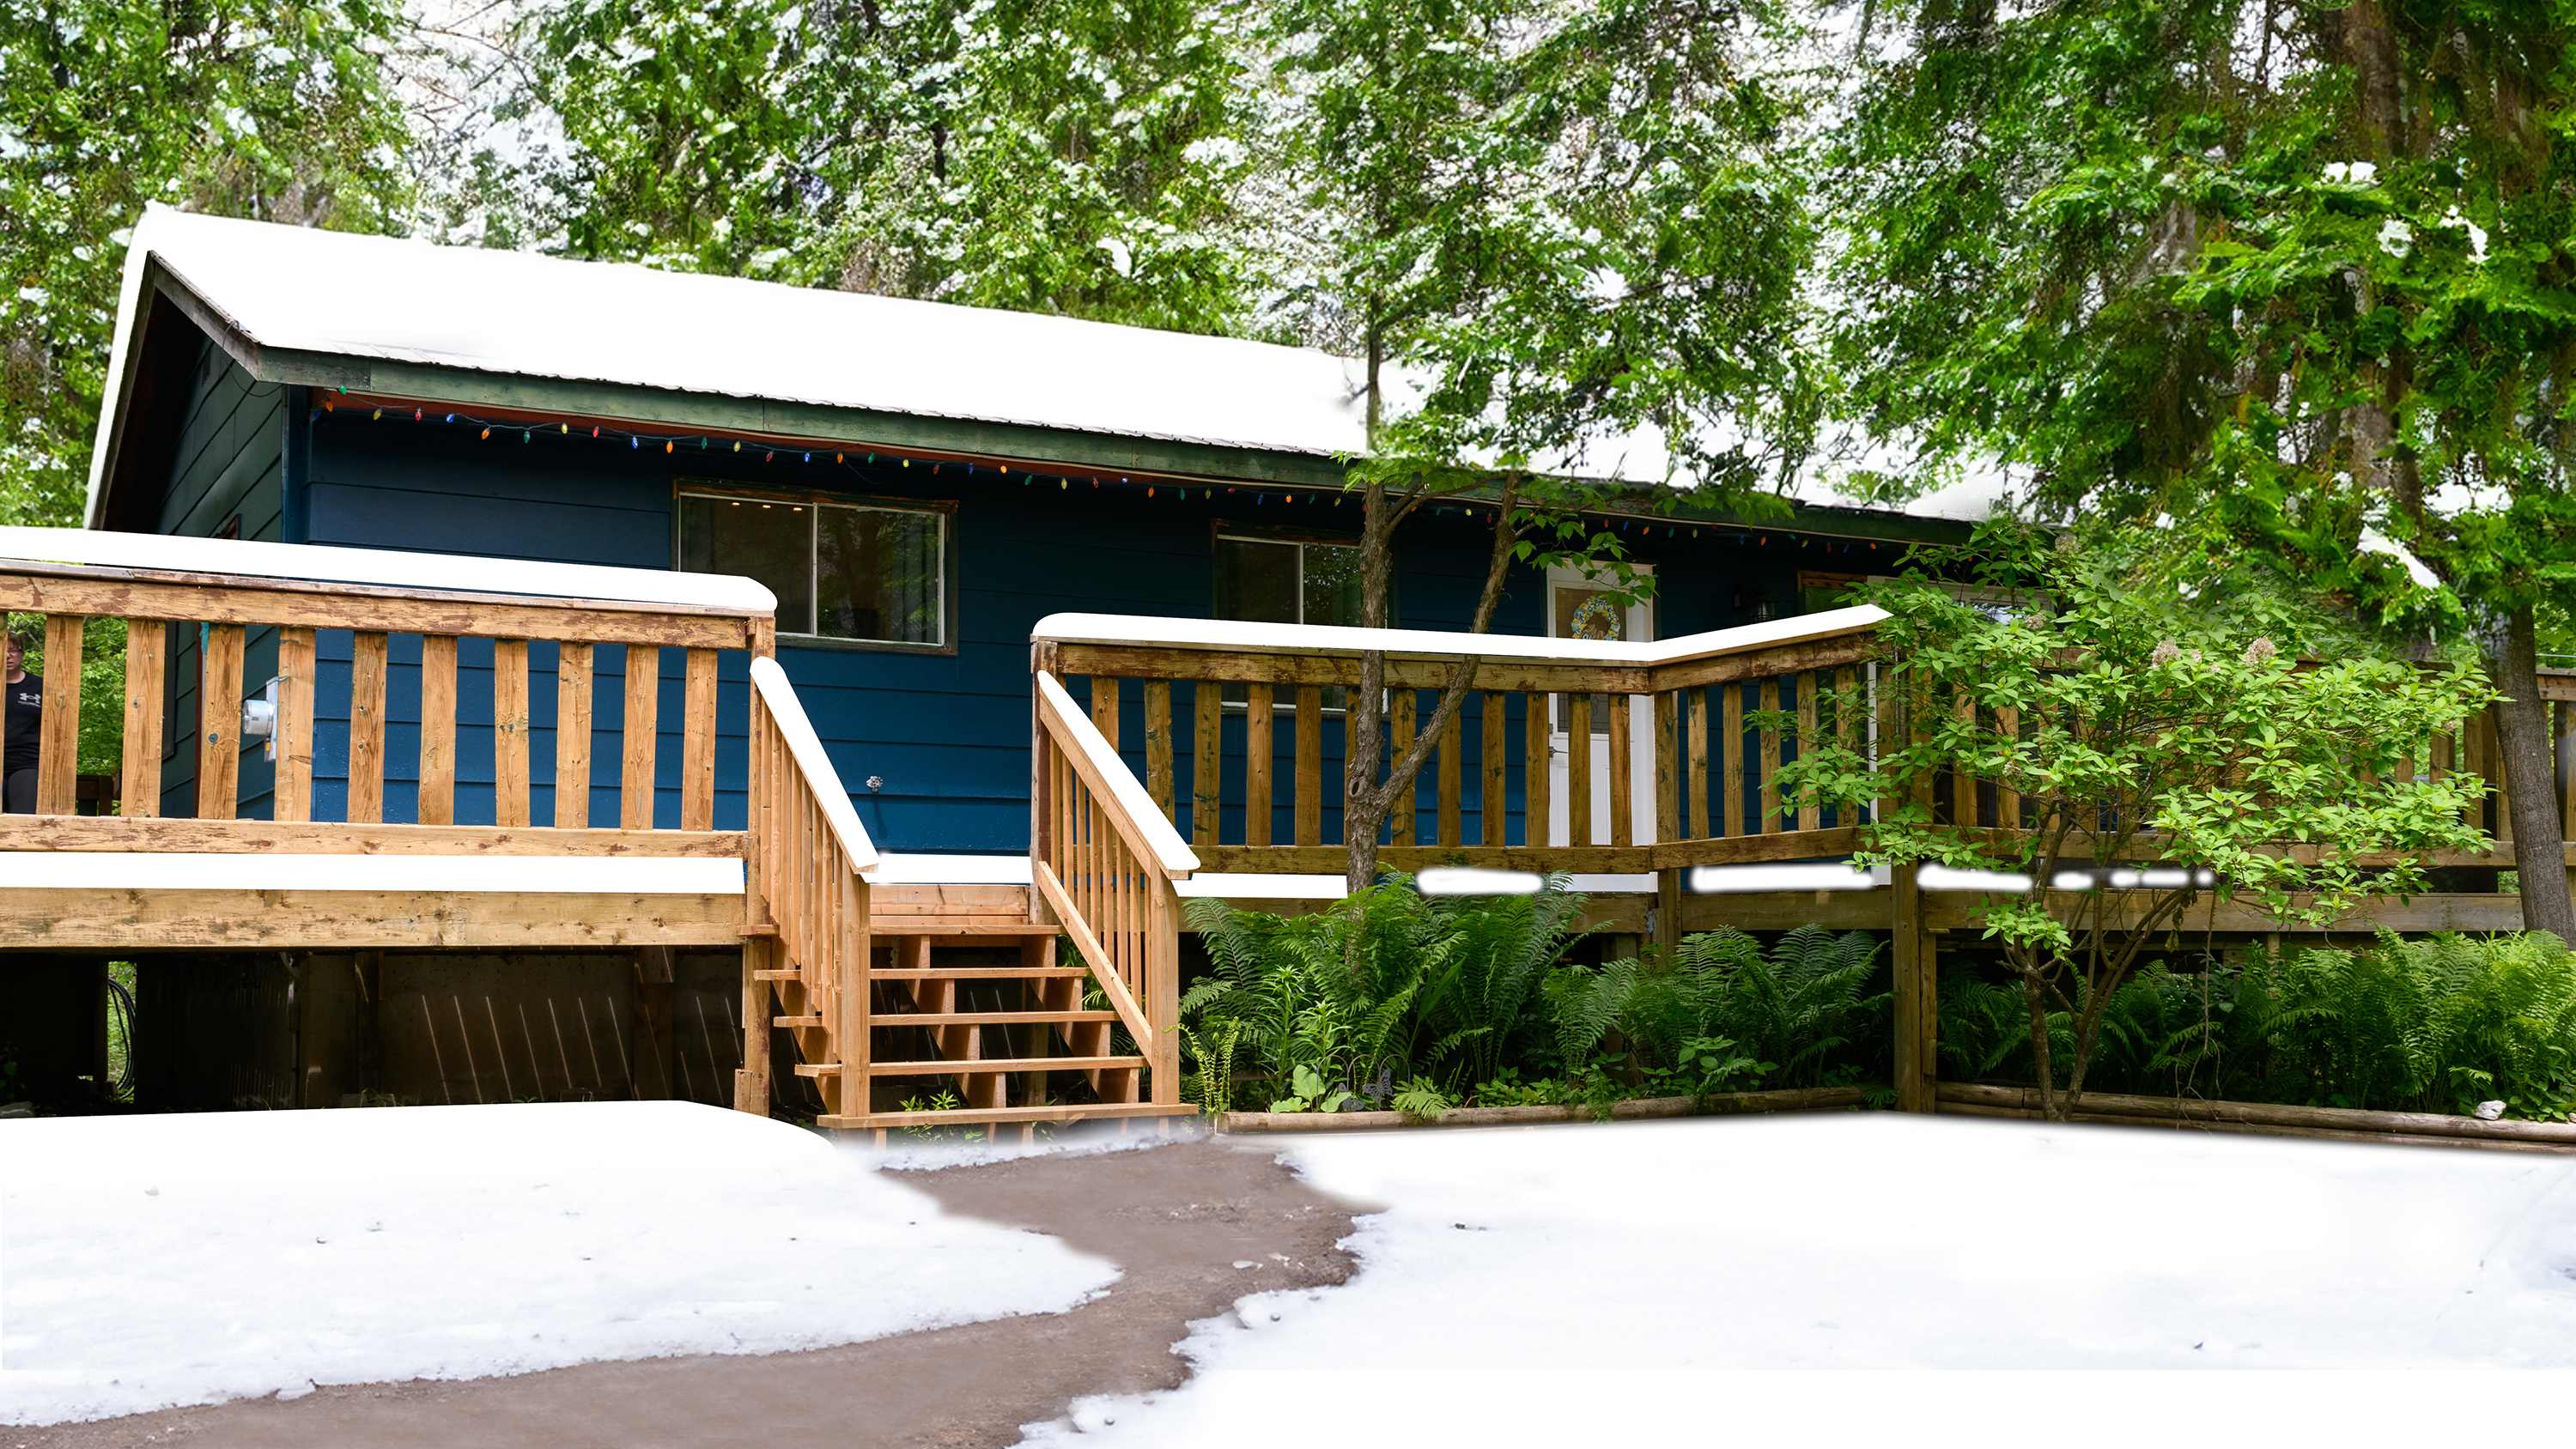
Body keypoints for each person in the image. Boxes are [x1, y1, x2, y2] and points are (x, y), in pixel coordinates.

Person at [3, 627, 39, 812]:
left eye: (13, 650)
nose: (8, 655)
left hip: (27, 763)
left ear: (22, 653)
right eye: (3, 649)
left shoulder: (39, 686)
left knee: (24, 817)